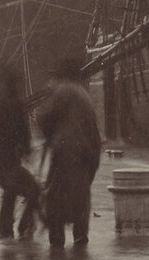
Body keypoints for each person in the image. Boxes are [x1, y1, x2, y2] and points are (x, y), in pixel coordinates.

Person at [34, 56, 101, 248]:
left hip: (68, 151)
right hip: (88, 152)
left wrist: (43, 125)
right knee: (81, 195)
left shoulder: (63, 90)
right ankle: (80, 237)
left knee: (56, 196)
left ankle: (57, 241)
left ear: (61, 76)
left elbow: (45, 118)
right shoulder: (82, 93)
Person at [0, 65, 44, 239]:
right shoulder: (15, 105)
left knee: (11, 191)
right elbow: (23, 134)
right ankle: (22, 227)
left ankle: (6, 231)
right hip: (7, 161)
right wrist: (28, 150)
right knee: (33, 190)